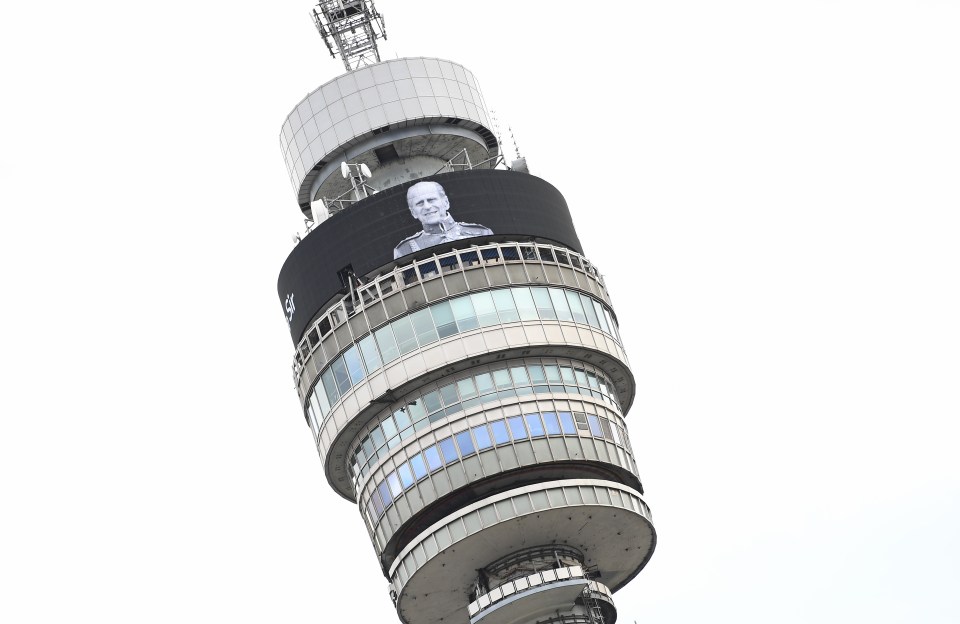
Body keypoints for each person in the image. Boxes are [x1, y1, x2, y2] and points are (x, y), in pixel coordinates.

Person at [393, 181, 493, 259]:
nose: (427, 206)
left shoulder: (481, 232)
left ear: (445, 202)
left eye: (431, 200)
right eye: (420, 203)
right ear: (413, 212)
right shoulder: (405, 250)